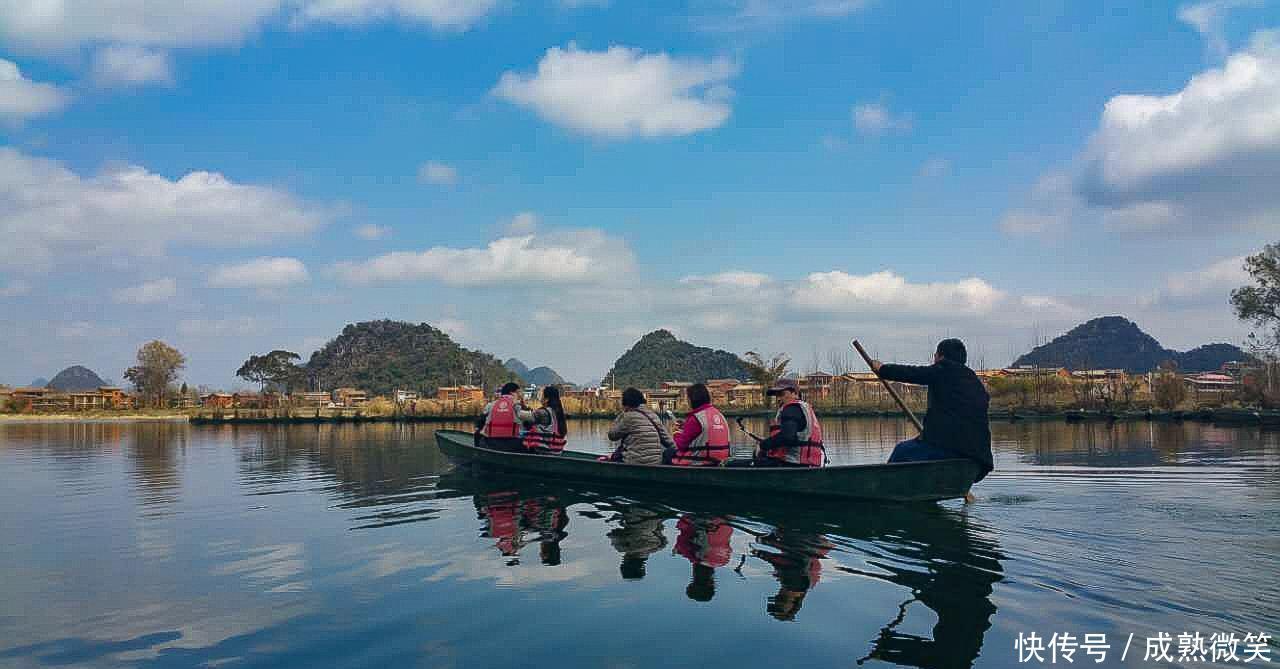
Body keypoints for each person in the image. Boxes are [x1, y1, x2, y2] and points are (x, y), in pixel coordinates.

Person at [870, 338, 994, 481]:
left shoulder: (943, 370)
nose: (934, 357)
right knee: (918, 450)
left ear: (941, 357)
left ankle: (887, 486)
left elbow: (911, 373)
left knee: (902, 451)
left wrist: (882, 369)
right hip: (979, 459)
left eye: (936, 354)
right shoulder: (973, 380)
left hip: (951, 449)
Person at [754, 378, 825, 467]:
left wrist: (762, 445)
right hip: (808, 464)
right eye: (776, 395)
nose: (778, 398)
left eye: (782, 394)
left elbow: (787, 437)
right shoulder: (802, 408)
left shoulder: (791, 409)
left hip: (792, 463)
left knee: (745, 462)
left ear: (795, 393)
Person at [666, 383, 732, 466]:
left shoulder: (695, 418)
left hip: (702, 461)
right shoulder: (719, 414)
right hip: (722, 460)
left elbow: (680, 445)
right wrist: (685, 426)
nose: (687, 401)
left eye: (688, 398)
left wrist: (675, 432)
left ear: (692, 399)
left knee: (667, 453)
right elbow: (705, 430)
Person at [603, 388, 673, 465]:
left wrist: (621, 416)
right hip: (656, 462)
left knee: (616, 456)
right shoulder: (654, 416)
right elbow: (670, 442)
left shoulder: (628, 417)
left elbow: (612, 435)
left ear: (626, 403)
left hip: (634, 462)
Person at [475, 382, 524, 452]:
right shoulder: (518, 406)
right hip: (512, 446)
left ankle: (477, 451)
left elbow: (480, 422)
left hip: (490, 444)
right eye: (518, 393)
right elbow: (530, 421)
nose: (519, 395)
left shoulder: (490, 405)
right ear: (512, 393)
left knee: (477, 433)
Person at [518, 385, 567, 455]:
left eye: (541, 395)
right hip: (557, 451)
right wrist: (525, 407)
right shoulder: (557, 411)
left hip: (544, 450)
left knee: (517, 440)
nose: (540, 397)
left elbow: (521, 415)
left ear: (547, 399)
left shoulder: (543, 412)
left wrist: (515, 405)